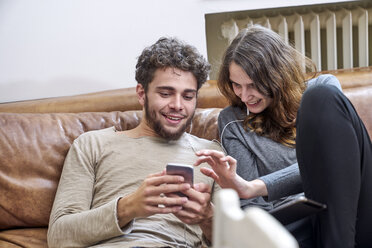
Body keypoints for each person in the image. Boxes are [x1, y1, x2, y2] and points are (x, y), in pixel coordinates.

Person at [194, 25, 372, 248]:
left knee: (320, 97)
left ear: (277, 75)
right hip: (302, 230)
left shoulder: (323, 90)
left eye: (253, 85)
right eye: (236, 85)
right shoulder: (233, 122)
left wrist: (258, 185)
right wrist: (251, 193)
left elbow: (339, 167)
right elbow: (253, 208)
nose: (245, 95)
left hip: (357, 212)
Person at [47, 37, 222, 248]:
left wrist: (207, 218)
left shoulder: (211, 154)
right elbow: (59, 237)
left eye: (188, 96)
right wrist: (128, 207)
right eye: (166, 94)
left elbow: (234, 241)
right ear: (142, 94)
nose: (178, 105)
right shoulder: (92, 144)